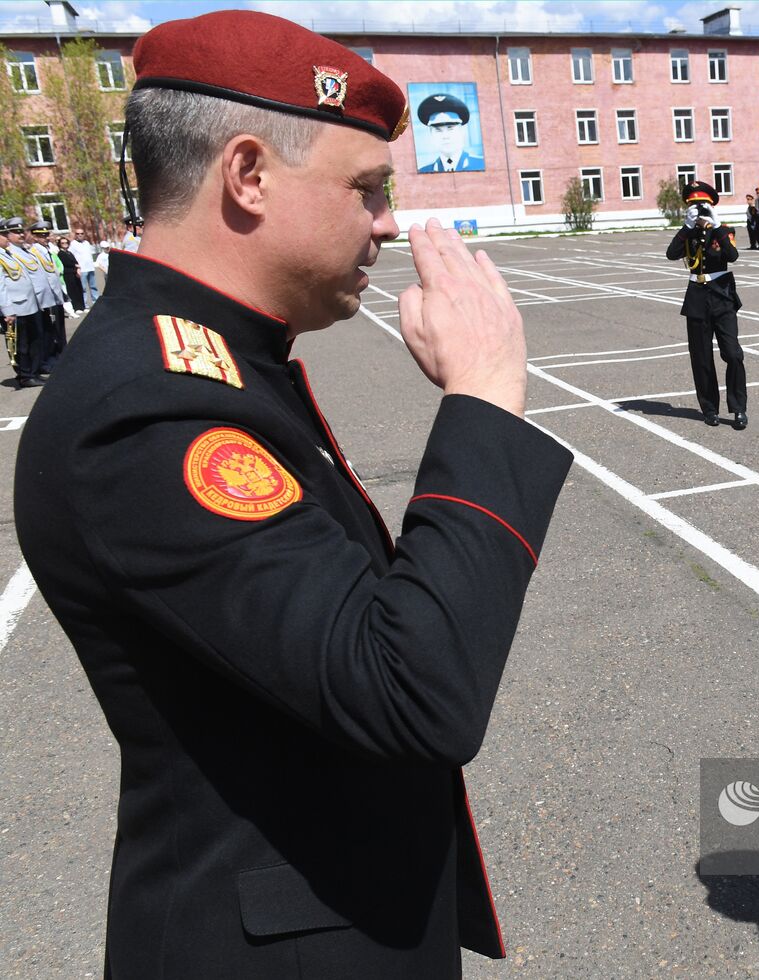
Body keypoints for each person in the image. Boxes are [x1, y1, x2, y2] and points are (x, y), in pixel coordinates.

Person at [12, 11, 573, 977]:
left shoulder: (208, 364)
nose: (388, 222)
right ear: (247, 175)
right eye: (366, 189)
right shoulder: (152, 413)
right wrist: (484, 399)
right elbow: (412, 691)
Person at [665, 179, 746, 429]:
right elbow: (671, 254)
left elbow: (732, 256)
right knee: (701, 358)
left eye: (702, 205)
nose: (699, 210)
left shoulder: (724, 231)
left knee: (732, 353)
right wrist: (688, 226)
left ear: (711, 205)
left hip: (722, 294)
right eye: (694, 205)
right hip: (697, 296)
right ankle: (709, 408)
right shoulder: (687, 233)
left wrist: (717, 223)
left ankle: (739, 408)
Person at [0, 217, 45, 388]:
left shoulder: (8, 253)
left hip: (27, 305)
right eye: (3, 234)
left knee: (33, 341)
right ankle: (25, 375)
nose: (6, 237)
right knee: (20, 345)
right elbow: (0, 286)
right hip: (15, 309)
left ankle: (32, 372)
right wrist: (7, 311)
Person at [23, 221, 66, 371]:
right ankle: (50, 358)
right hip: (46, 298)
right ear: (34, 237)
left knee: (58, 329)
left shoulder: (47, 251)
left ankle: (62, 355)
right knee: (49, 331)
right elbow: (41, 279)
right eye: (41, 236)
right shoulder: (34, 253)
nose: (45, 238)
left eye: (47, 235)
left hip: (54, 295)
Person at [416, 93, 484, 172]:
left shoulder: (481, 164)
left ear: (462, 131)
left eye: (450, 128)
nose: (445, 136)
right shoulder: (423, 171)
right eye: (438, 130)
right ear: (431, 134)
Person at [68, 227, 99, 305]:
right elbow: (70, 256)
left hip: (90, 268)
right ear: (75, 235)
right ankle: (84, 303)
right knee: (83, 288)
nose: (80, 235)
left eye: (82, 233)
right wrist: (76, 267)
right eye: (78, 234)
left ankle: (96, 301)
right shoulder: (73, 244)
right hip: (82, 270)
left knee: (93, 286)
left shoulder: (87, 243)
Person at [55, 235, 85, 313]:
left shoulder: (69, 252)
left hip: (75, 273)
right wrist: (76, 266)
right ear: (60, 244)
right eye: (62, 243)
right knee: (72, 291)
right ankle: (76, 307)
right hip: (68, 274)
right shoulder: (60, 253)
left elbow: (75, 261)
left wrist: (78, 268)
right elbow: (66, 263)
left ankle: (82, 306)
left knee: (79, 290)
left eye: (66, 242)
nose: (65, 244)